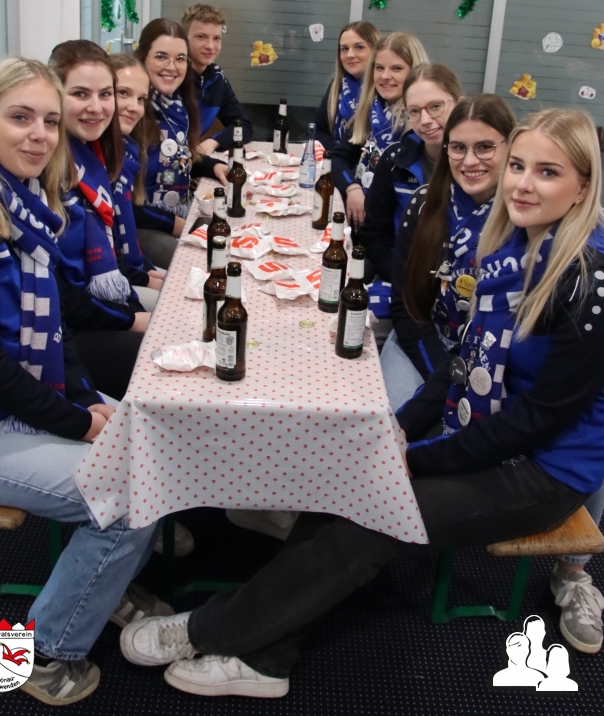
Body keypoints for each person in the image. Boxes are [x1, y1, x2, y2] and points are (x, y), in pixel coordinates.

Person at [120, 107, 604, 698]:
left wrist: (416, 459)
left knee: (374, 511)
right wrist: (399, 431)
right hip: (484, 432)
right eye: (520, 166)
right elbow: (463, 362)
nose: (523, 184)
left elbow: (539, 421)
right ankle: (266, 657)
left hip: (544, 471)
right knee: (349, 472)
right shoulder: (511, 249)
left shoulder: (587, 280)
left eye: (548, 172)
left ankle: (210, 630)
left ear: (583, 186)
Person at [0, 58, 171, 706]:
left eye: (47, 120)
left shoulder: (19, 200)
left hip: (19, 404)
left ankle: (98, 585)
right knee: (129, 496)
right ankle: (40, 655)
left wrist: (85, 398)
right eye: (20, 117)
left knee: (161, 445)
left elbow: (54, 322)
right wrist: (77, 421)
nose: (39, 134)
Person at [382, 95, 515, 410]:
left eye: (485, 147)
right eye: (458, 148)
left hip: (493, 355)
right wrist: (442, 378)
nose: (469, 161)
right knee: (390, 422)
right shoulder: (424, 205)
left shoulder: (523, 218)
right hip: (423, 339)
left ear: (511, 148)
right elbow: (405, 306)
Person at [49, 41, 153, 400]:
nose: (96, 107)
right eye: (80, 94)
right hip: (66, 331)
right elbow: (61, 295)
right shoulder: (47, 168)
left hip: (90, 312)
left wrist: (133, 308)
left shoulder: (91, 155)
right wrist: (131, 319)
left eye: (104, 94)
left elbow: (112, 252)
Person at [359, 63, 463, 280]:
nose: (425, 120)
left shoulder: (476, 168)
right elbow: (375, 236)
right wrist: (406, 280)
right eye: (414, 111)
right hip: (401, 276)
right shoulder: (393, 161)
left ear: (459, 105)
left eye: (435, 106)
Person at [332, 32, 428, 232]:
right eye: (379, 68)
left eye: (397, 68)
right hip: (363, 226)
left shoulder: (424, 126)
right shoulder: (370, 111)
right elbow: (338, 158)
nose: (385, 76)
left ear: (415, 72)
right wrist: (352, 187)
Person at [135, 19, 228, 215]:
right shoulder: (132, 111)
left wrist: (213, 166)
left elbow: (178, 158)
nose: (172, 67)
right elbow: (125, 202)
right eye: (161, 57)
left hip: (179, 209)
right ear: (142, 57)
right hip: (147, 220)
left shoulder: (178, 104)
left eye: (180, 59)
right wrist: (176, 226)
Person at [110, 54, 180, 271]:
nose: (134, 107)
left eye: (141, 99)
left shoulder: (130, 145)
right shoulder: (95, 156)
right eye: (123, 93)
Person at [181, 4, 253, 155]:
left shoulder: (217, 77)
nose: (210, 46)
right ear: (184, 39)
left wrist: (214, 142)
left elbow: (243, 126)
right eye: (201, 37)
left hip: (192, 157)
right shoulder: (174, 76)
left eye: (216, 38)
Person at [313, 21, 381, 152]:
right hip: (338, 160)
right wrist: (341, 153)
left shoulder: (384, 89)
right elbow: (317, 131)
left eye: (359, 47)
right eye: (344, 49)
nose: (350, 55)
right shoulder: (337, 85)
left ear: (375, 51)